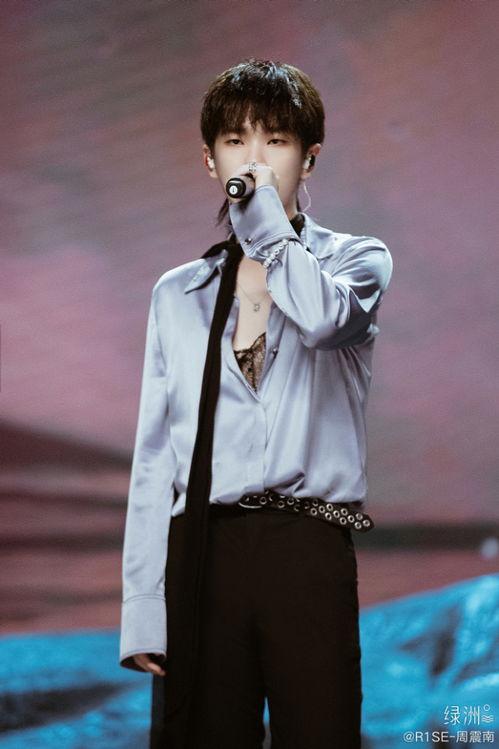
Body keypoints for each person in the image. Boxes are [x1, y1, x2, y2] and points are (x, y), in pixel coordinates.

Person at [119, 58, 393, 749]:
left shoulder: (356, 262)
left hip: (306, 545)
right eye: (235, 140)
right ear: (210, 160)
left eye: (275, 140)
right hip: (202, 551)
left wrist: (268, 226)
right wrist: (144, 608)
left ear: (310, 157)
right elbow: (155, 458)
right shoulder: (177, 293)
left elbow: (324, 322)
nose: (255, 159)